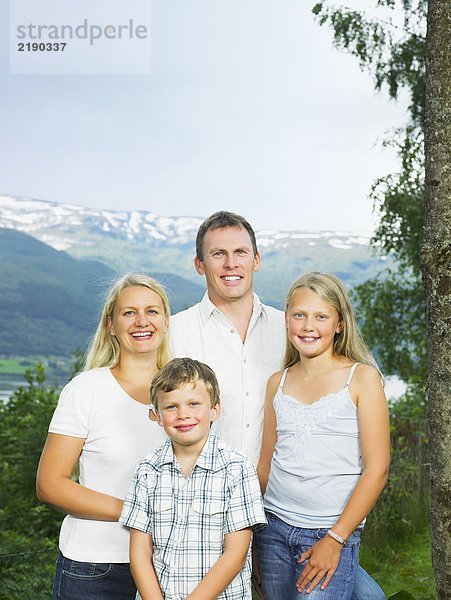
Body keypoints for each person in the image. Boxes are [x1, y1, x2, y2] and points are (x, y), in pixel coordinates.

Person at [170, 212, 386, 599]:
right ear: (199, 264)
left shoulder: (287, 326)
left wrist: (336, 536)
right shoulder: (175, 332)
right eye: (218, 254)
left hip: (305, 518)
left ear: (256, 259)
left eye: (240, 252)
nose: (231, 263)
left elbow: (373, 463)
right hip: (213, 514)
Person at [36, 273, 170, 600]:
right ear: (111, 325)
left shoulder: (183, 391)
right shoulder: (86, 390)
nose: (142, 321)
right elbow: (49, 483)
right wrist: (134, 510)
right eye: (129, 312)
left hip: (168, 564)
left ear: (166, 322)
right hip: (96, 568)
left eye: (152, 311)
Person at [256, 272, 390, 599]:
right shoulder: (278, 382)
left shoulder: (361, 379)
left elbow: (377, 469)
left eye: (321, 316)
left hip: (328, 533)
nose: (308, 325)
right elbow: (265, 466)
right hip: (272, 530)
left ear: (339, 324)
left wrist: (335, 539)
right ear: (286, 320)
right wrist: (250, 534)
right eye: (299, 315)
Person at [120, 357, 267, 599]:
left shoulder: (236, 468)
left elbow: (236, 553)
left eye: (193, 404)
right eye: (171, 407)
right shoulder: (147, 470)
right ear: (157, 415)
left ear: (214, 410)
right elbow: (139, 554)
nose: (183, 414)